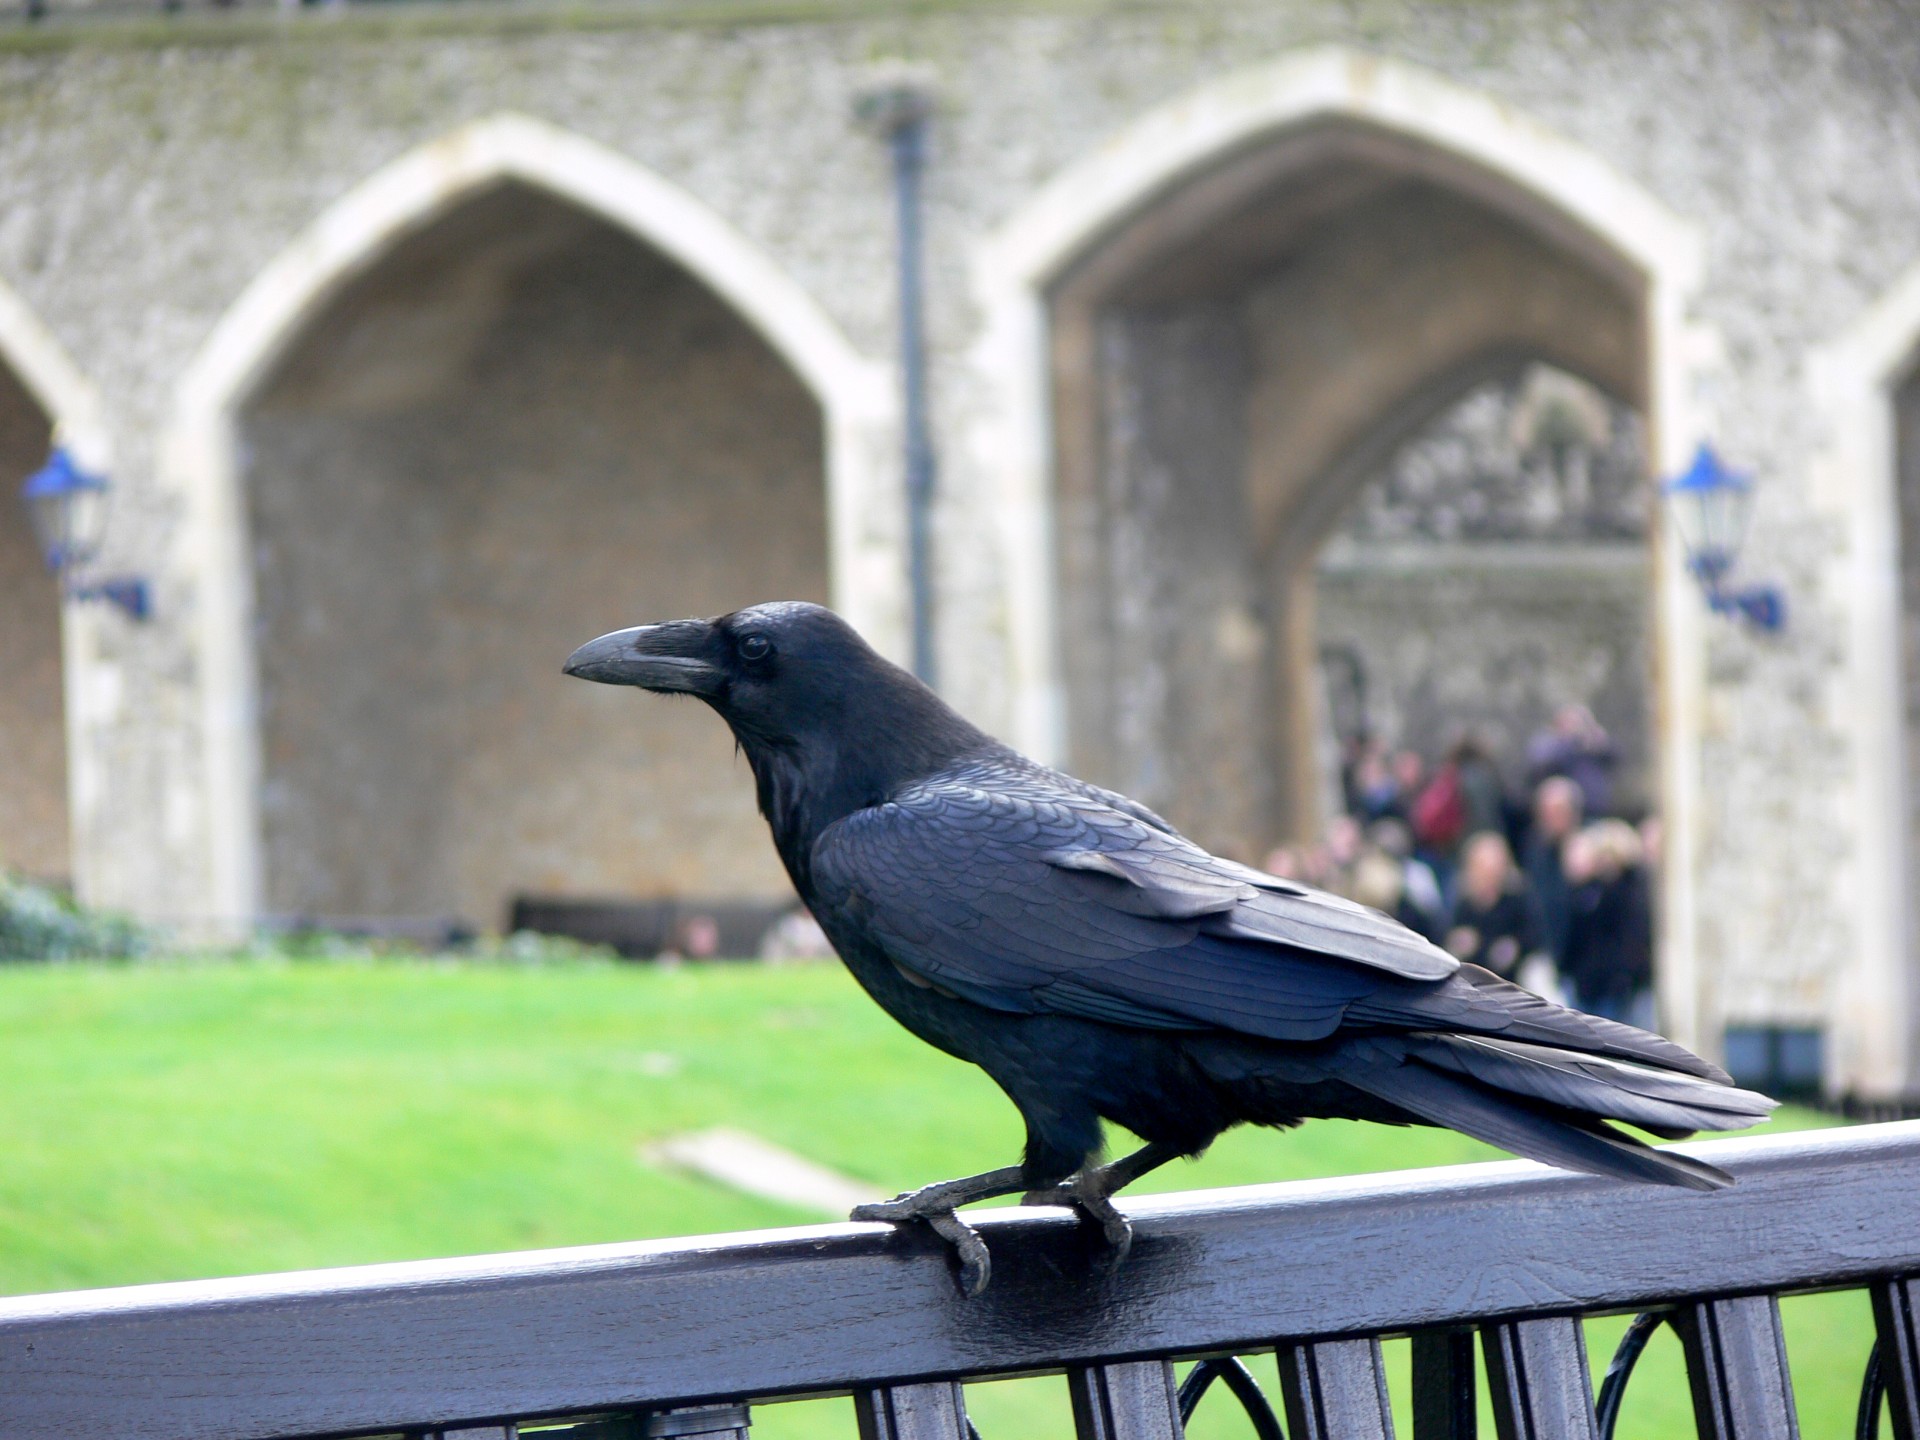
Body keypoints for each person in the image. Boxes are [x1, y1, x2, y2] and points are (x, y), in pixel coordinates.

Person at [1562, 819, 1655, 1028]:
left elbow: (1632, 938)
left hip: (1618, 985)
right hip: (1590, 983)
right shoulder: (1588, 892)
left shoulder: (1630, 892)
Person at [1444, 831, 1543, 982]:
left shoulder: (1516, 899)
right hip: (1470, 976)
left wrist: (1515, 946)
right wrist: (1459, 941)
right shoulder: (1462, 902)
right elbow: (1447, 934)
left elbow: (1534, 937)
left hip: (1513, 977)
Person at [1521, 776, 1584, 968]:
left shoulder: (1588, 849)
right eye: (1546, 812)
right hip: (1548, 952)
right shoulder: (1535, 850)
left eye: (1558, 811)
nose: (1551, 819)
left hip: (1582, 958)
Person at [1528, 704, 1616, 818]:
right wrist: (1571, 742)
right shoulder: (1549, 743)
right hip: (1563, 811)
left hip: (1593, 808)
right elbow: (1541, 764)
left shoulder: (1589, 745)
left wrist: (1598, 740)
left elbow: (1614, 757)